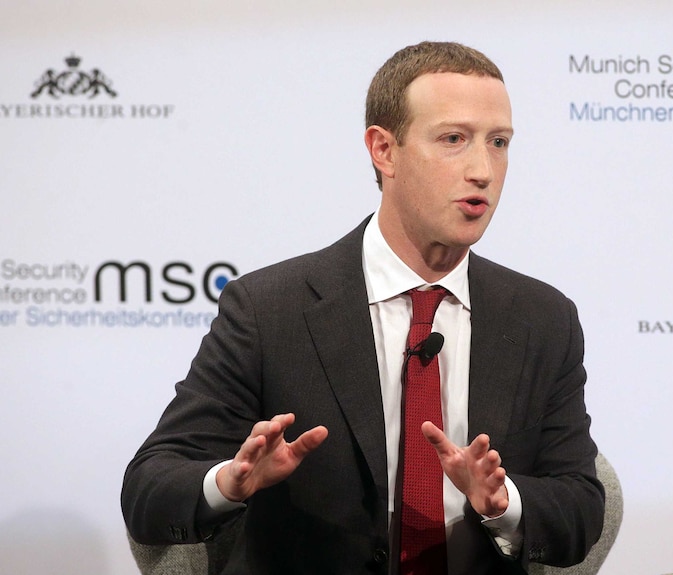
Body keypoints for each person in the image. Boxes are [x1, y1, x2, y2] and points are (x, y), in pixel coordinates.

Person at [122, 41, 604, 575]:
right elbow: (149, 488)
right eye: (453, 139)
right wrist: (228, 482)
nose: (483, 170)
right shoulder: (269, 311)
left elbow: (582, 508)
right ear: (384, 149)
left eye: (499, 142)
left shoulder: (542, 319)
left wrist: (504, 503)